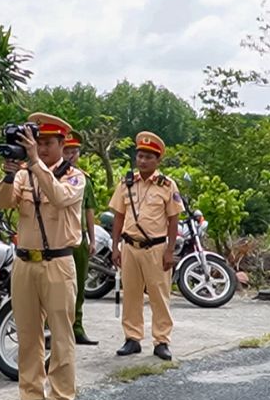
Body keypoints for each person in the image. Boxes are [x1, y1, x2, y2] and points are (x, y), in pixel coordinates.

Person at [0, 113, 85, 400]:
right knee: (27, 334)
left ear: (62, 144)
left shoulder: (74, 176)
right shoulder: (23, 175)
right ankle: (31, 396)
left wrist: (35, 162)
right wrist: (9, 175)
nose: (41, 148)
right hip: (24, 262)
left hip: (58, 263)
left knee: (61, 334)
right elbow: (4, 203)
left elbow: (60, 198)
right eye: (37, 143)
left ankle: (60, 399)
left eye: (48, 143)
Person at [109, 131, 183, 361]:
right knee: (131, 294)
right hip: (130, 246)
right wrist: (115, 246)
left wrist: (170, 250)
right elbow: (119, 216)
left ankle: (161, 341)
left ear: (158, 160)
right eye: (140, 156)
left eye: (148, 157)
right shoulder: (126, 183)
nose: (142, 161)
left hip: (156, 248)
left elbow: (173, 220)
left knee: (159, 296)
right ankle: (132, 338)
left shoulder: (167, 185)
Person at [63, 131, 99, 346]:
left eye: (74, 151)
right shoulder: (51, 176)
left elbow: (89, 210)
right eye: (67, 151)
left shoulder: (83, 178)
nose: (71, 155)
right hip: (59, 240)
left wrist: (92, 239)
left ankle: (77, 327)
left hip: (79, 240)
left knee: (79, 286)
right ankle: (51, 329)